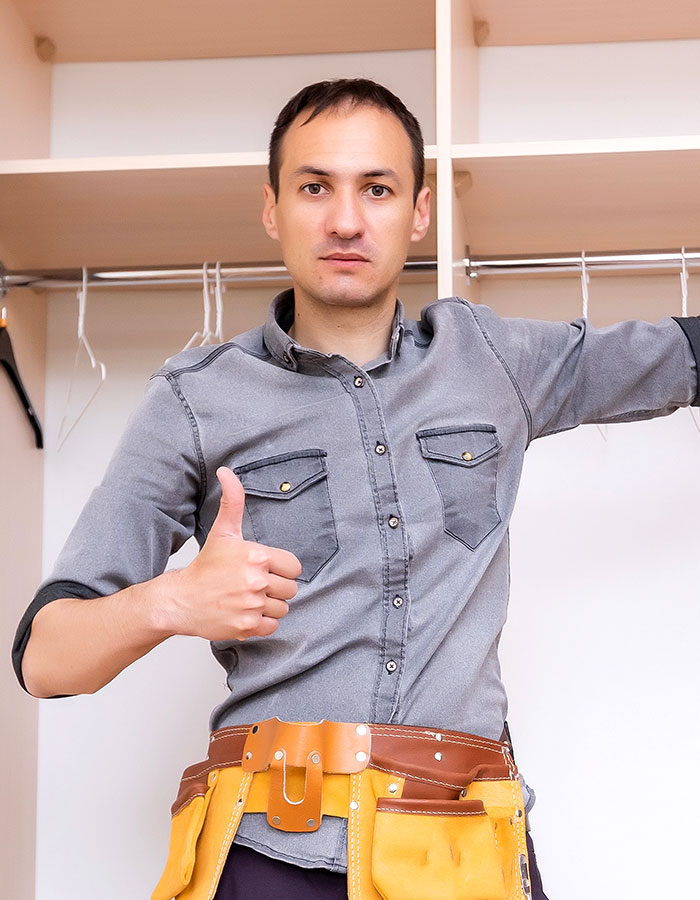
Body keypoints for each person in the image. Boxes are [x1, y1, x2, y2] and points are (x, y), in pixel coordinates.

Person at [13, 78, 699, 900]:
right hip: (269, 849)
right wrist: (173, 601)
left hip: (462, 852)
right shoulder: (193, 400)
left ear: (419, 211)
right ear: (272, 208)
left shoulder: (493, 362)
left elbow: (679, 357)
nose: (345, 220)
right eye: (315, 188)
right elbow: (46, 660)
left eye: (376, 188)